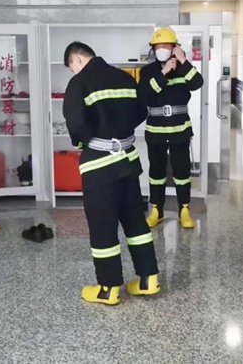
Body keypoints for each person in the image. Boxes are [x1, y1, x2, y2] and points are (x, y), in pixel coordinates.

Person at [62, 41, 160, 306]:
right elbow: (140, 111)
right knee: (135, 221)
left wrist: (85, 140)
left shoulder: (79, 82)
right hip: (128, 161)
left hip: (99, 165)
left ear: (76, 60)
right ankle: (148, 279)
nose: (73, 71)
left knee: (103, 225)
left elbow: (76, 124)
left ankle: (108, 288)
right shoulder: (124, 78)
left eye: (71, 67)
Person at [138, 27, 204, 230]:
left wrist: (183, 61)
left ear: (174, 47)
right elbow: (144, 96)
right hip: (156, 131)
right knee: (156, 172)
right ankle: (156, 210)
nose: (161, 49)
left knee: (182, 172)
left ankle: (184, 209)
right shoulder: (148, 71)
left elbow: (197, 83)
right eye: (158, 46)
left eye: (165, 45)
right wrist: (163, 73)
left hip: (179, 130)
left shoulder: (184, 68)